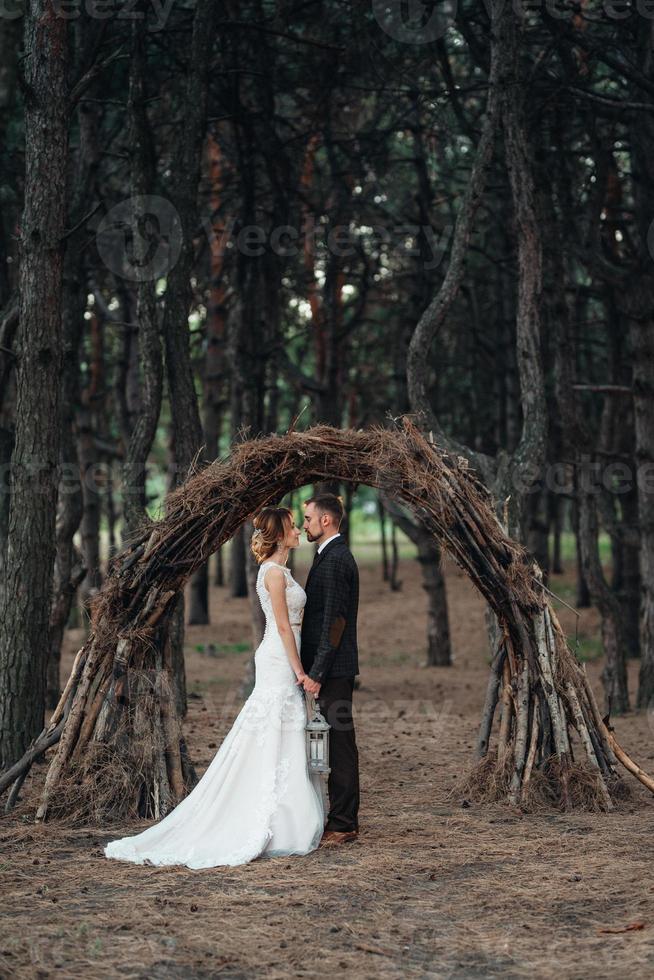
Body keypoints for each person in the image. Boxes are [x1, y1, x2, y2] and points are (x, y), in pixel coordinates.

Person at [103, 506, 323, 869]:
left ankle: (289, 814)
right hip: (280, 658)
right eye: (293, 526)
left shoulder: (281, 571)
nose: (299, 530)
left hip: (287, 654)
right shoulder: (272, 574)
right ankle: (268, 815)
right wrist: (300, 670)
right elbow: (284, 628)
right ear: (280, 533)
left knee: (285, 728)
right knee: (273, 724)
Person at [301, 493, 360, 845]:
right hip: (329, 666)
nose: (304, 523)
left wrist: (318, 671)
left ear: (326, 520)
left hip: (334, 669)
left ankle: (343, 824)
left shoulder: (337, 559)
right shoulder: (327, 555)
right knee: (334, 739)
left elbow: (335, 623)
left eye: (308, 518)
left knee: (339, 742)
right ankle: (339, 818)